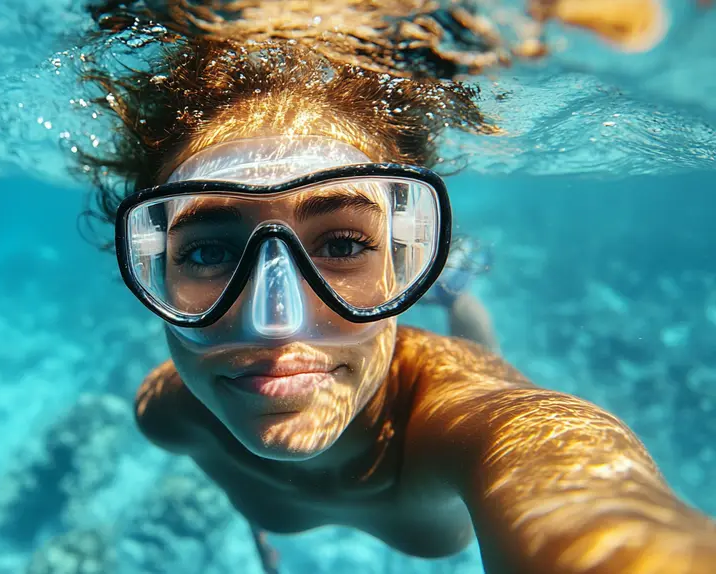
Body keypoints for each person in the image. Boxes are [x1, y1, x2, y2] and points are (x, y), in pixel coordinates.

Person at [73, 1, 716, 572]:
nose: (277, 323)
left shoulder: (474, 422)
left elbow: (590, 501)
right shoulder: (169, 416)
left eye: (344, 244)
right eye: (209, 251)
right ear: (156, 268)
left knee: (483, 350)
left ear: (403, 255)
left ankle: (455, 290)